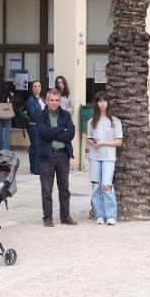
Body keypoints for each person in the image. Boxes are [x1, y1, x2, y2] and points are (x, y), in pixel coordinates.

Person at [37, 89, 78, 226]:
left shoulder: (65, 115)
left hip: (62, 155)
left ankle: (65, 216)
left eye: (57, 100)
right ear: (47, 101)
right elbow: (43, 134)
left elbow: (71, 133)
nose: (54, 103)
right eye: (52, 100)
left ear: (60, 101)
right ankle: (47, 218)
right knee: (47, 189)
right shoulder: (41, 115)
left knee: (64, 188)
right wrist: (61, 129)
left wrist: (53, 133)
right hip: (47, 156)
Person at [86, 93, 123, 225]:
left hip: (108, 157)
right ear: (96, 104)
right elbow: (89, 139)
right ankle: (100, 214)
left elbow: (119, 142)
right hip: (94, 157)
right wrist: (92, 142)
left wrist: (103, 143)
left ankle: (111, 215)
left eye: (104, 101)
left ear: (108, 103)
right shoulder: (91, 122)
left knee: (107, 185)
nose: (102, 104)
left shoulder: (115, 122)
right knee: (96, 187)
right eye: (99, 101)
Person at [24, 79, 48, 176]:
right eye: (35, 86)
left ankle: (37, 167)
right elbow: (33, 114)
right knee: (36, 145)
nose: (37, 88)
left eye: (39, 86)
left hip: (42, 126)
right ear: (32, 89)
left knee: (39, 146)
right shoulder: (30, 100)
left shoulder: (42, 99)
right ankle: (35, 168)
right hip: (34, 126)